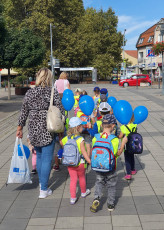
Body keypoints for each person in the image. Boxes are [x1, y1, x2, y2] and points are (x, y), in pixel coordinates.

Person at [16, 68, 65, 199]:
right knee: (47, 159)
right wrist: (62, 131)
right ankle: (43, 189)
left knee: (39, 156)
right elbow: (60, 111)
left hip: (33, 129)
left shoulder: (29, 93)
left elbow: (23, 112)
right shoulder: (52, 92)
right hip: (47, 128)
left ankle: (42, 185)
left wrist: (19, 128)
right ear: (49, 78)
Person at [90, 114, 128, 212]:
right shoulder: (114, 140)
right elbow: (117, 154)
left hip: (98, 167)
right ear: (112, 126)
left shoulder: (96, 137)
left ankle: (96, 198)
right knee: (111, 186)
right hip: (110, 168)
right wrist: (123, 142)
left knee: (99, 183)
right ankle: (110, 204)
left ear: (102, 125)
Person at [60, 117, 91, 204]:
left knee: (73, 180)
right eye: (81, 125)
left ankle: (73, 198)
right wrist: (89, 160)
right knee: (81, 177)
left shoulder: (66, 138)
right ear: (77, 127)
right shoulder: (81, 139)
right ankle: (84, 192)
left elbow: (61, 143)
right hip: (80, 163)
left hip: (70, 162)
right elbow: (84, 152)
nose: (82, 127)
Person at [118, 114, 137, 180]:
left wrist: (117, 135)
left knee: (127, 160)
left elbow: (120, 136)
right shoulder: (135, 125)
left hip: (126, 146)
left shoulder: (123, 127)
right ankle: (133, 170)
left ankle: (128, 174)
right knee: (132, 157)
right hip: (133, 145)